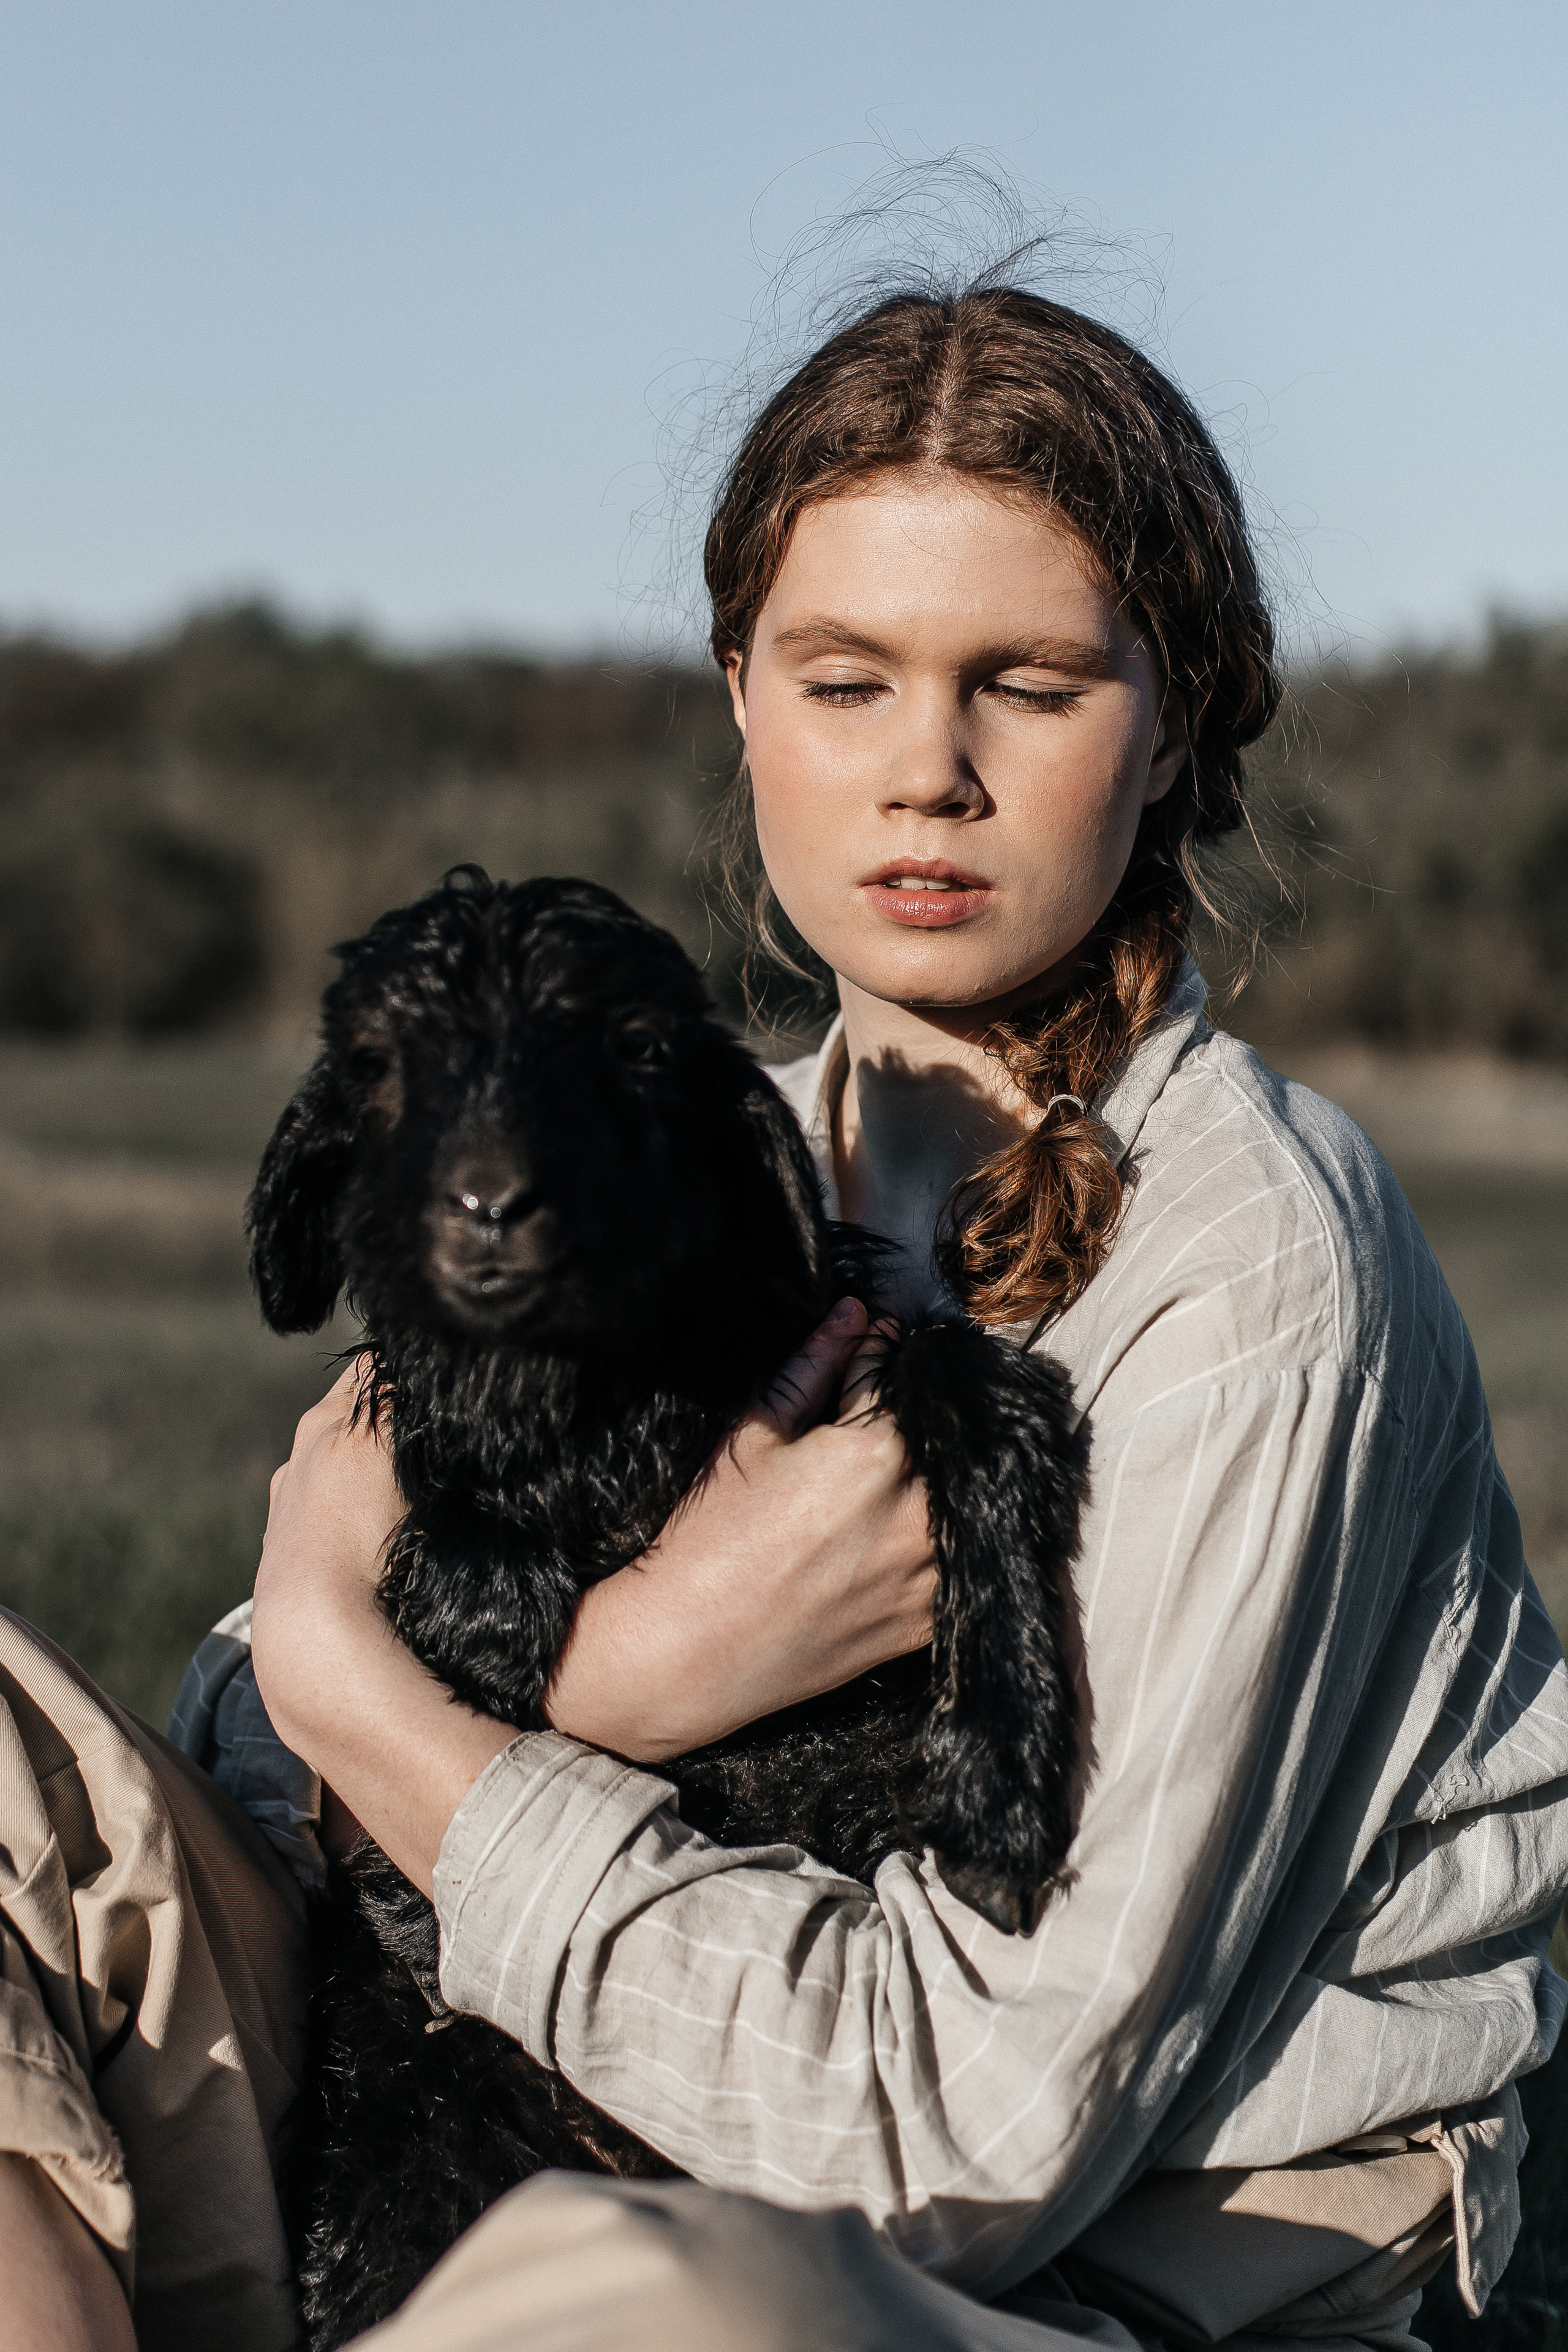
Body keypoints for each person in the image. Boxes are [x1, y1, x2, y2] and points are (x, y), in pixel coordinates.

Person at [1, 285, 1564, 2352]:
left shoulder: (1256, 1261)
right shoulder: (693, 1153)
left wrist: (428, 1707)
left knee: (645, 2315)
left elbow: (971, 2142)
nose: (929, 771)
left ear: (1174, 718)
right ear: (741, 697)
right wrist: (595, 1681)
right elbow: (290, 1741)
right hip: (530, 2085)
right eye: (848, 683)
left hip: (1108, 2271)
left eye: (1025, 682)